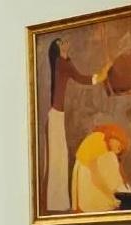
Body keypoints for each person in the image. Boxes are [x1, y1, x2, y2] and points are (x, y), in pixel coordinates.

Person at [44, 39, 109, 213]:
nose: (65, 43)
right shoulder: (61, 63)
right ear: (58, 49)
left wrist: (100, 76)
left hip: (56, 115)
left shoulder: (64, 63)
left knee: (60, 158)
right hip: (55, 117)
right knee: (58, 159)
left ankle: (57, 202)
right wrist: (101, 76)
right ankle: (56, 203)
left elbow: (77, 76)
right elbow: (81, 78)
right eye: (61, 43)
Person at [71, 124, 131, 213]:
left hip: (87, 171)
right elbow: (96, 176)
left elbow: (117, 170)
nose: (116, 151)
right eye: (119, 147)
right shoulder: (99, 141)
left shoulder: (103, 141)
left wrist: (125, 186)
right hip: (86, 174)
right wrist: (111, 195)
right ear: (115, 138)